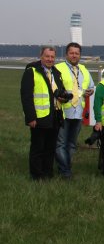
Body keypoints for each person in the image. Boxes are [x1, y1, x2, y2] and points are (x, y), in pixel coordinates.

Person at [20, 46, 68, 180]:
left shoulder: (56, 73)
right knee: (38, 148)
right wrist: (30, 117)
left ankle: (48, 173)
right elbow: (26, 96)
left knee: (50, 148)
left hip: (55, 116)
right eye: (47, 56)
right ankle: (36, 175)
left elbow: (60, 91)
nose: (50, 59)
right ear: (41, 56)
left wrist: (63, 97)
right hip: (39, 117)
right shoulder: (32, 71)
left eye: (52, 57)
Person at [54, 42, 95, 178]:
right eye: (71, 53)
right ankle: (65, 171)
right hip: (63, 112)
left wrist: (89, 92)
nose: (74, 55)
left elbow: (90, 87)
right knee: (61, 143)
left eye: (77, 53)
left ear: (80, 55)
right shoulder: (58, 68)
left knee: (71, 144)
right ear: (66, 54)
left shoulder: (84, 70)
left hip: (78, 113)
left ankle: (65, 167)